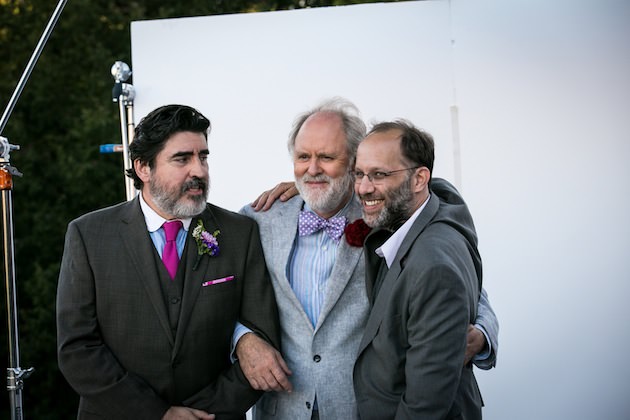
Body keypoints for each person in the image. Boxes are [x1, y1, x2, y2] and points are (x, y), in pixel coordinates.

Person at [235, 98, 498, 420]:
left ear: (354, 161)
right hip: (282, 407)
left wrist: (482, 333)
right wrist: (242, 340)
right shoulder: (259, 219)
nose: (312, 168)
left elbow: (458, 283)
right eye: (303, 157)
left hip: (364, 408)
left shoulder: (387, 213)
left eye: (327, 157)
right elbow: (219, 296)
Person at [56, 104, 280, 420]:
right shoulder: (89, 235)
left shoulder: (239, 233)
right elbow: (77, 350)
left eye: (203, 157)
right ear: (144, 167)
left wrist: (205, 413)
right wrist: (157, 414)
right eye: (182, 159)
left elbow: (263, 337)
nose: (199, 171)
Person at [352, 120, 483, 419]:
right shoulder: (442, 200)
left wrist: (486, 332)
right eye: (358, 173)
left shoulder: (433, 268)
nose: (362, 187)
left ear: (419, 179)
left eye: (379, 174)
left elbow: (425, 407)